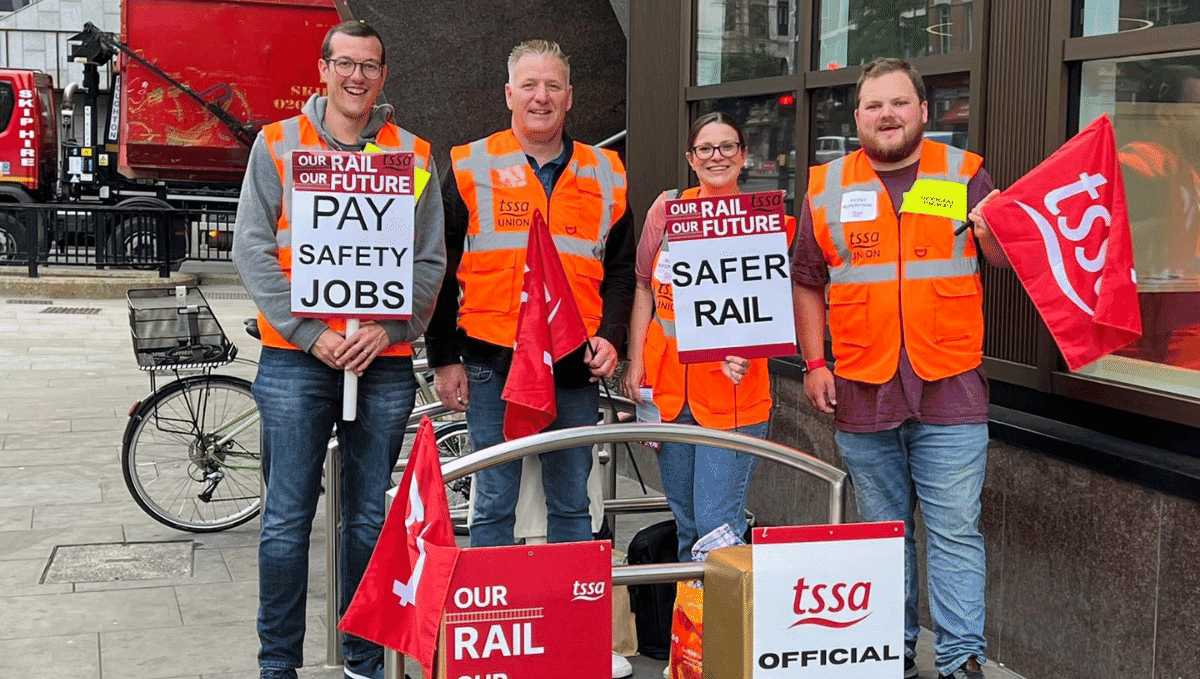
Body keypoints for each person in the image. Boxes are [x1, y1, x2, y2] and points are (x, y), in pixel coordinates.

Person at [232, 20, 446, 679]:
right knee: (286, 520)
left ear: (384, 76)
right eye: (346, 63)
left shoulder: (412, 154)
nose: (357, 76)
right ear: (323, 68)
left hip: (380, 365)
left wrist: (393, 329)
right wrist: (312, 334)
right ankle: (278, 664)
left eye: (371, 66)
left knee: (366, 520)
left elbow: (429, 261)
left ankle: (362, 658)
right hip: (297, 361)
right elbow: (252, 249)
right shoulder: (277, 145)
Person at [791, 58, 1009, 679]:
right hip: (861, 388)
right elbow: (807, 281)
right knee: (882, 535)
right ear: (857, 117)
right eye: (873, 106)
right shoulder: (826, 186)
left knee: (954, 534)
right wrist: (813, 362)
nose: (886, 115)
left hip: (950, 387)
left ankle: (961, 660)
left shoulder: (962, 174)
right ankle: (890, 656)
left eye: (899, 103)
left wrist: (994, 228)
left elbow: (997, 258)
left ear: (922, 111)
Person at [425, 39, 634, 548]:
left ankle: (565, 617)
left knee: (571, 502)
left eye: (552, 86)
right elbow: (439, 267)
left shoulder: (606, 171)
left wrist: (612, 337)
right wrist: (443, 358)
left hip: (573, 361)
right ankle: (495, 617)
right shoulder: (470, 165)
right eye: (529, 86)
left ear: (569, 97)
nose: (541, 97)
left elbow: (622, 270)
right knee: (494, 502)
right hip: (490, 360)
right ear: (509, 95)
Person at [621, 111, 795, 563]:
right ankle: (688, 633)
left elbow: (772, 307)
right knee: (687, 525)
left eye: (727, 147)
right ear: (691, 159)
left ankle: (719, 634)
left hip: (732, 395)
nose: (716, 157)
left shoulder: (763, 219)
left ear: (743, 156)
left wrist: (746, 344)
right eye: (705, 149)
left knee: (717, 532)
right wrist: (635, 362)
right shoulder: (667, 208)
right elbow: (643, 284)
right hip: (669, 392)